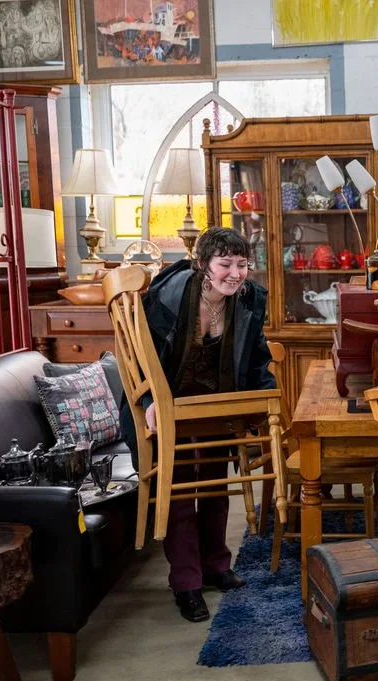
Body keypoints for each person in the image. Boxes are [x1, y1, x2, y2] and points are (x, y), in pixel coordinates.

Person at [118, 227, 276, 623]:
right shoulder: (169, 297)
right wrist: (150, 400)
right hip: (167, 402)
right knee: (180, 490)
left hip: (215, 403)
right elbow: (140, 356)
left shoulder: (249, 299)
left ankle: (216, 566)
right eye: (225, 264)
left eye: (242, 264)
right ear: (203, 265)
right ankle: (186, 582)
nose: (236, 274)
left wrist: (265, 401)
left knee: (214, 482)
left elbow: (258, 358)